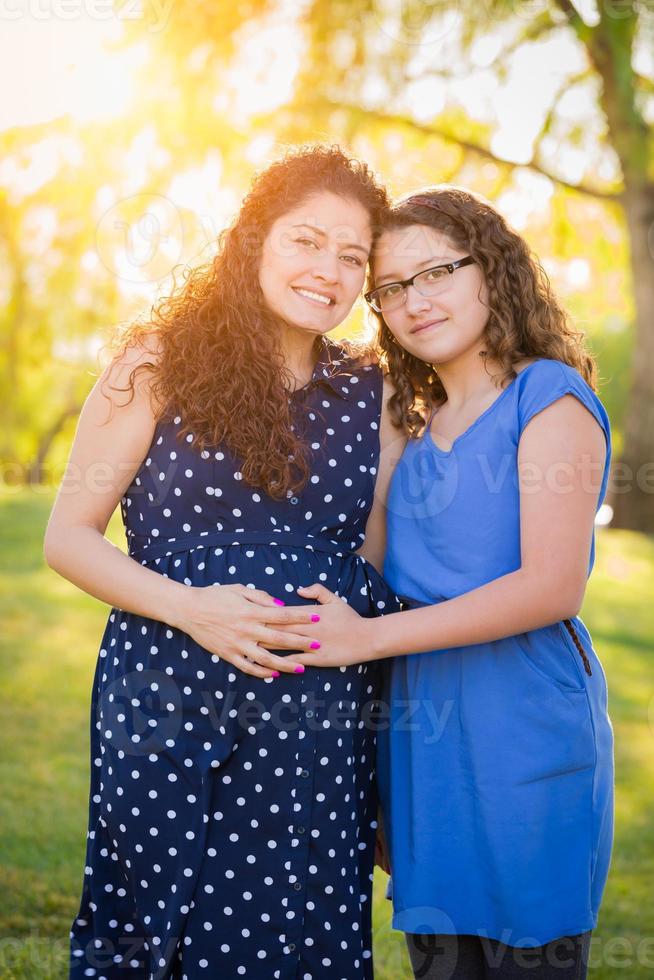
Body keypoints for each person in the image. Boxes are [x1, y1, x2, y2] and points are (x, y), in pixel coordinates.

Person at [44, 144, 402, 980]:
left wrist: (383, 765)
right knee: (151, 929)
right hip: (164, 695)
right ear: (254, 242)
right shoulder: (156, 361)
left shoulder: (374, 392)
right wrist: (191, 607)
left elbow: (374, 581)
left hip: (317, 723)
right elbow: (68, 536)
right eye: (307, 241)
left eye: (353, 257)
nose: (330, 271)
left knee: (297, 935)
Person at [289, 187, 614, 979]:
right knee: (441, 965)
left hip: (523, 731)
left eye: (436, 272)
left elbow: (551, 587)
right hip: (424, 750)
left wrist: (368, 639)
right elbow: (371, 572)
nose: (414, 301)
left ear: (490, 269)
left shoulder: (549, 396)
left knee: (527, 960)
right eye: (392, 288)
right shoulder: (410, 427)